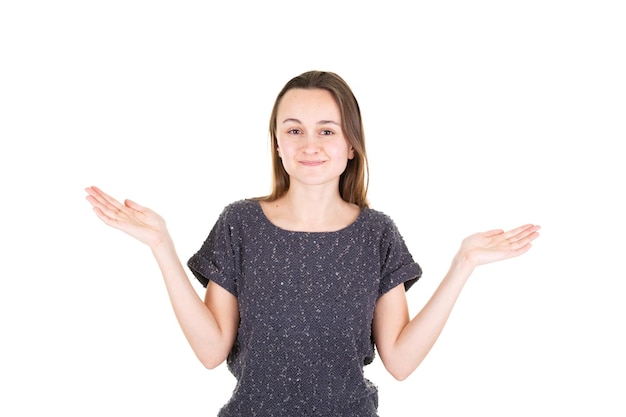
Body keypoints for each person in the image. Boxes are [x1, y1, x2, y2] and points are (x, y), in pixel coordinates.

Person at [85, 70, 540, 416]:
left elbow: (399, 360)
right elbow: (210, 352)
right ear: (277, 144)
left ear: (351, 146)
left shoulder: (376, 233)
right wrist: (161, 245)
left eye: (327, 129)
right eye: (294, 129)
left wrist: (464, 263)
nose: (310, 144)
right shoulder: (239, 223)